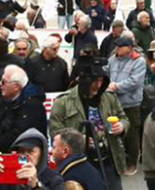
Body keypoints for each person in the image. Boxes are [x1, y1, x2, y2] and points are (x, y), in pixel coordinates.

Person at [49, 55, 129, 190]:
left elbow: (124, 118)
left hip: (108, 160)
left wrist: (122, 126)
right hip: (80, 163)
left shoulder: (108, 97)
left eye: (101, 80)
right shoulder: (63, 101)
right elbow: (55, 131)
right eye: (94, 81)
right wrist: (78, 139)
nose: (98, 85)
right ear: (84, 81)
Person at [0, 64, 48, 161]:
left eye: (3, 82)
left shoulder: (32, 106)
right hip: (3, 156)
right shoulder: (8, 101)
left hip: (23, 160)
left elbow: (17, 135)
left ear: (16, 86)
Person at [107, 33, 147, 174]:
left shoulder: (139, 61)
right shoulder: (113, 59)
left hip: (131, 103)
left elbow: (135, 81)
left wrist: (116, 86)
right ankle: (119, 161)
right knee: (115, 132)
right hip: (113, 102)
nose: (116, 48)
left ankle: (132, 163)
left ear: (129, 48)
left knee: (131, 134)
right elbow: (107, 73)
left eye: (120, 46)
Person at [0, 128, 66, 190]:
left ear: (42, 154)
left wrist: (36, 186)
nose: (25, 156)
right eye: (21, 151)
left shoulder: (53, 179)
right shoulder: (7, 177)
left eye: (30, 151)